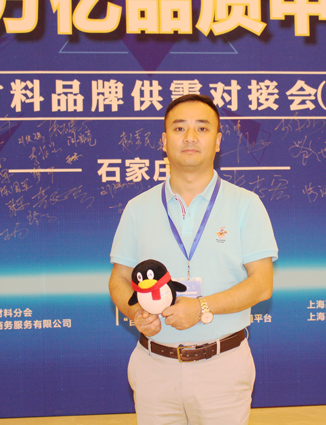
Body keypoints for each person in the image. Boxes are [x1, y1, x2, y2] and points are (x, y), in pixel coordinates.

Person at [108, 94, 278, 425]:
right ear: (164, 141)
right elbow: (119, 279)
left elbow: (262, 284)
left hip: (222, 366)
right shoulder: (138, 208)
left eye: (202, 128)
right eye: (179, 128)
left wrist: (201, 307)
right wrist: (136, 312)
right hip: (154, 366)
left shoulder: (245, 204)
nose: (189, 137)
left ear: (217, 141)